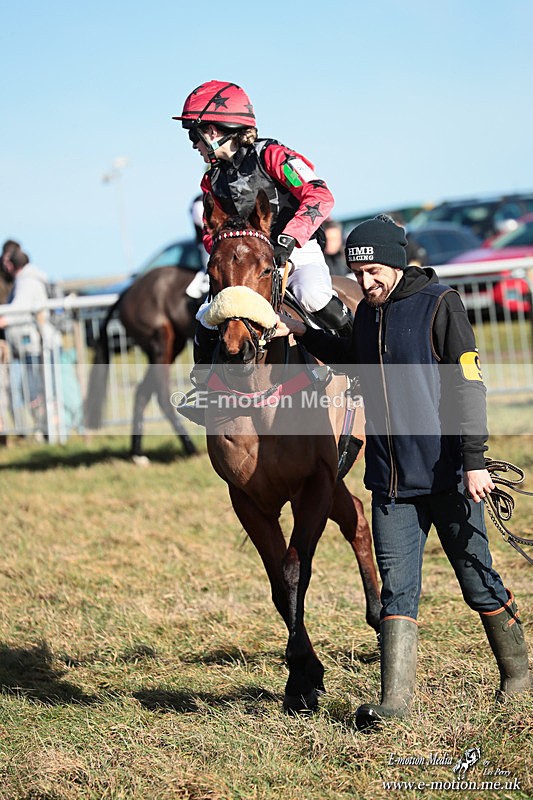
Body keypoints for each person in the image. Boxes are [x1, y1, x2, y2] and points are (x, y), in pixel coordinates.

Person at [273, 214, 531, 729]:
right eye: (358, 274)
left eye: (374, 273)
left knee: (476, 580)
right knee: (397, 590)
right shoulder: (368, 315)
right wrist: (300, 330)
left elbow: (468, 386)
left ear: (395, 262)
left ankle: (519, 675)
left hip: (448, 477)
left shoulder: (440, 304)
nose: (366, 284)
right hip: (390, 484)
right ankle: (395, 704)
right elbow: (349, 356)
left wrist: (475, 461)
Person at [173, 80, 352, 370]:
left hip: (296, 251)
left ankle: (364, 360)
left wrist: (289, 238)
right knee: (206, 315)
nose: (194, 144)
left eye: (194, 135)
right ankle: (205, 388)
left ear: (213, 131)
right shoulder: (211, 180)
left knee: (313, 296)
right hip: (245, 265)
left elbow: (319, 194)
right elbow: (211, 233)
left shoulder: (272, 155)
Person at [0, 241, 61, 432]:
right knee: (36, 390)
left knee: (34, 391)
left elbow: (18, 309)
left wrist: (3, 320)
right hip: (34, 344)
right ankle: (46, 429)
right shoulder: (32, 277)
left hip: (33, 344)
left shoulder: (26, 281)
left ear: (11, 265)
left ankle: (49, 429)